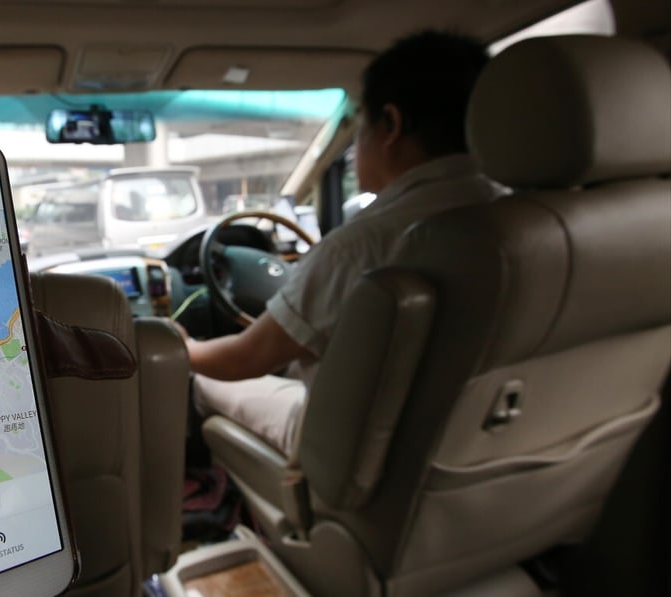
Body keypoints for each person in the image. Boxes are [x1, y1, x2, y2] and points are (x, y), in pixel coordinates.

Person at [179, 29, 505, 457]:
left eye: (358, 124)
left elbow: (245, 359)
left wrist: (183, 347)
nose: (352, 150)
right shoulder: (521, 217)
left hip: (352, 459)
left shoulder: (360, 246)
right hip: (476, 443)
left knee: (205, 380)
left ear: (391, 124)